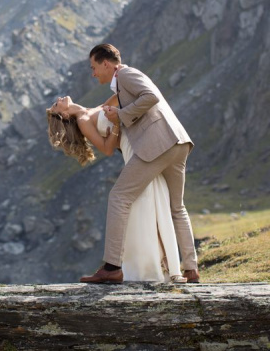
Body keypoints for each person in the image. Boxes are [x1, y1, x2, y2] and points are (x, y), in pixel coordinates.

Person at [80, 43, 198, 284]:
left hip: (159, 144)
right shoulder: (122, 82)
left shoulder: (124, 74)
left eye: (94, 67)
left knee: (119, 197)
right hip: (178, 142)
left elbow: (151, 97)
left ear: (106, 63)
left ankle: (112, 267)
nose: (93, 73)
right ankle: (191, 269)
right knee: (177, 208)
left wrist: (120, 115)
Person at [47, 95, 186, 283]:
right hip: (133, 150)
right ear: (63, 114)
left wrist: (120, 80)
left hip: (143, 146)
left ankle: (163, 264)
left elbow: (117, 97)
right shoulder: (83, 120)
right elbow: (106, 149)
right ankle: (147, 266)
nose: (59, 98)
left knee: (156, 198)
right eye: (57, 104)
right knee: (143, 202)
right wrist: (116, 126)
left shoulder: (93, 109)